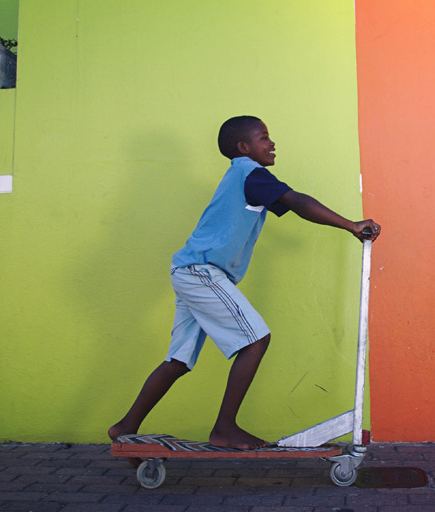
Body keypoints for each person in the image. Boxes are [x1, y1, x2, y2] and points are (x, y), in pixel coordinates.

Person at [108, 116, 381, 450]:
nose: (272, 143)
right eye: (264, 137)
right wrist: (351, 225)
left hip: (189, 270)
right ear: (244, 147)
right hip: (201, 271)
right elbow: (297, 202)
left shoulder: (243, 178)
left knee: (178, 361)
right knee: (255, 341)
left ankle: (125, 427)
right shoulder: (251, 173)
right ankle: (224, 428)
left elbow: (270, 209)